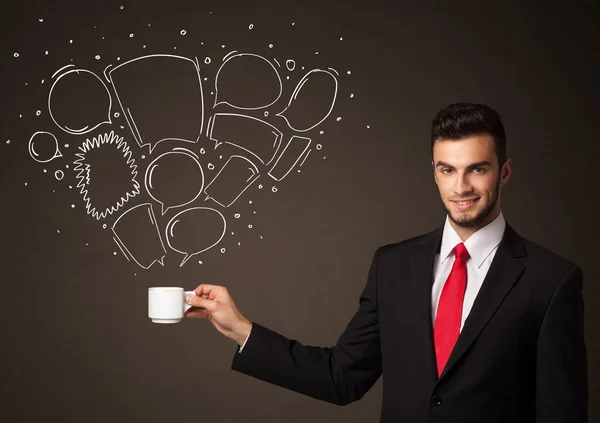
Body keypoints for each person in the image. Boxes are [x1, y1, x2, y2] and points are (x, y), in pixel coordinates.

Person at [184, 103, 588, 422]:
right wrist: (241, 329)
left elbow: (561, 413)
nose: (461, 187)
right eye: (447, 170)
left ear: (504, 172)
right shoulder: (393, 266)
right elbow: (342, 377)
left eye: (476, 169)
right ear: (434, 173)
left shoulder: (550, 280)